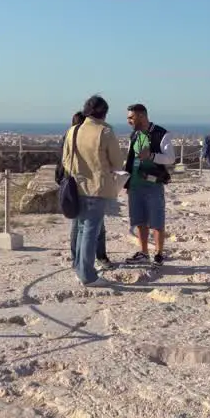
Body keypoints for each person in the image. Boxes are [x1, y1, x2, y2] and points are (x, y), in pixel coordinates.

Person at [61, 95, 126, 287]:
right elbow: (117, 162)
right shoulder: (105, 132)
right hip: (97, 187)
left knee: (81, 229)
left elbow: (65, 160)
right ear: (104, 112)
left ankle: (79, 268)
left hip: (76, 187)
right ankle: (88, 275)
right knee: (90, 231)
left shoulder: (73, 130)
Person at [57, 112, 113, 269]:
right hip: (86, 186)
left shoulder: (67, 137)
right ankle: (95, 258)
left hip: (73, 185)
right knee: (92, 225)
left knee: (80, 224)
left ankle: (78, 259)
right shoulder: (82, 139)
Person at [124, 103, 174, 266]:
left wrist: (152, 156)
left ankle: (159, 254)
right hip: (135, 184)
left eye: (131, 117)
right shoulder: (134, 135)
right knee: (139, 219)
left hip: (153, 184)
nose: (128, 121)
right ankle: (144, 252)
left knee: (156, 220)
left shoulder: (161, 134)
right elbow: (132, 158)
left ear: (141, 116)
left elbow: (170, 158)